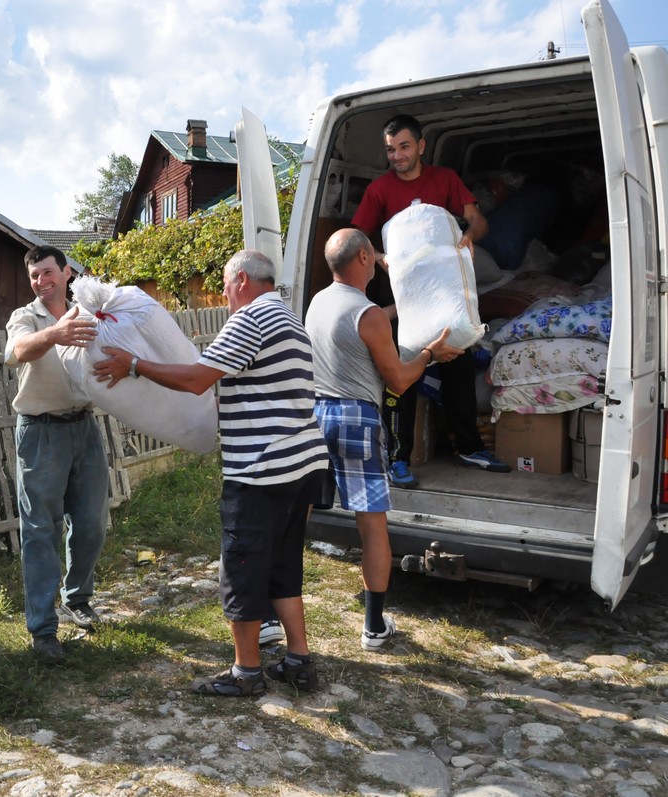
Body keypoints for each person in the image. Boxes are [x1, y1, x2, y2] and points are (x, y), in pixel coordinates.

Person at [94, 250, 330, 695]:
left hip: (262, 468)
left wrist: (135, 365)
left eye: (224, 282)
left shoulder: (251, 319)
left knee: (242, 565)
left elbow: (197, 379)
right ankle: (299, 661)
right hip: (302, 463)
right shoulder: (287, 318)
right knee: (283, 563)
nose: (222, 292)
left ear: (241, 279)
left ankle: (246, 674)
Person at [308, 229, 463, 650]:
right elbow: (398, 378)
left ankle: (272, 612)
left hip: (316, 415)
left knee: (296, 518)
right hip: (357, 418)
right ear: (362, 257)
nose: (377, 262)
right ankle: (374, 626)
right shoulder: (369, 314)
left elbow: (361, 327)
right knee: (372, 526)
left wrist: (399, 309)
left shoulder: (319, 302)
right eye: (373, 257)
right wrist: (431, 354)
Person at [351, 113, 509, 487]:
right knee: (400, 375)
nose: (397, 156)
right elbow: (357, 237)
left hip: (446, 293)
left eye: (404, 147)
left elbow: (478, 220)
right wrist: (378, 257)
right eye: (390, 150)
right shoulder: (380, 191)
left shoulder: (445, 180)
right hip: (402, 296)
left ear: (421, 146)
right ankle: (398, 458)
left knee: (457, 364)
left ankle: (469, 448)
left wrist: (469, 235)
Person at [5, 245, 110, 664]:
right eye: (34, 276)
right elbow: (18, 352)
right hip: (40, 433)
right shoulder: (25, 317)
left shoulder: (89, 310)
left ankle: (77, 597)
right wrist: (55, 333)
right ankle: (44, 631)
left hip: (84, 428)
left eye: (47, 273)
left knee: (91, 524)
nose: (41, 281)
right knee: (39, 532)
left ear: (67, 273)